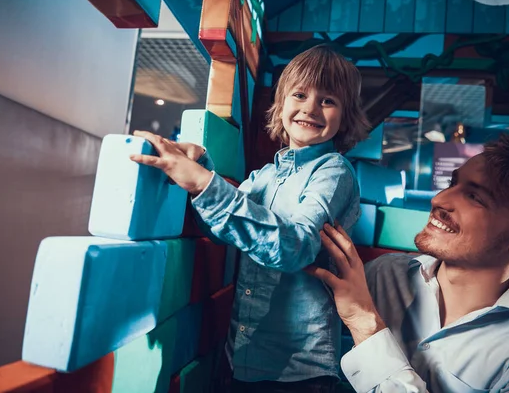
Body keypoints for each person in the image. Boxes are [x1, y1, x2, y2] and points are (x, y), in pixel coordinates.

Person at [130, 44, 370, 392]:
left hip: (300, 372)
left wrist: (203, 182)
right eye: (300, 94)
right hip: (242, 357)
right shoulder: (263, 176)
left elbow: (295, 247)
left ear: (345, 116)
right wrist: (202, 170)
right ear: (282, 102)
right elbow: (218, 229)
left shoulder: (334, 172)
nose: (310, 108)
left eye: (328, 100)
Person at [308, 135, 509, 392]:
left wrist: (365, 322)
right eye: (452, 183)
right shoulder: (384, 274)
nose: (439, 200)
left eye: (475, 197)